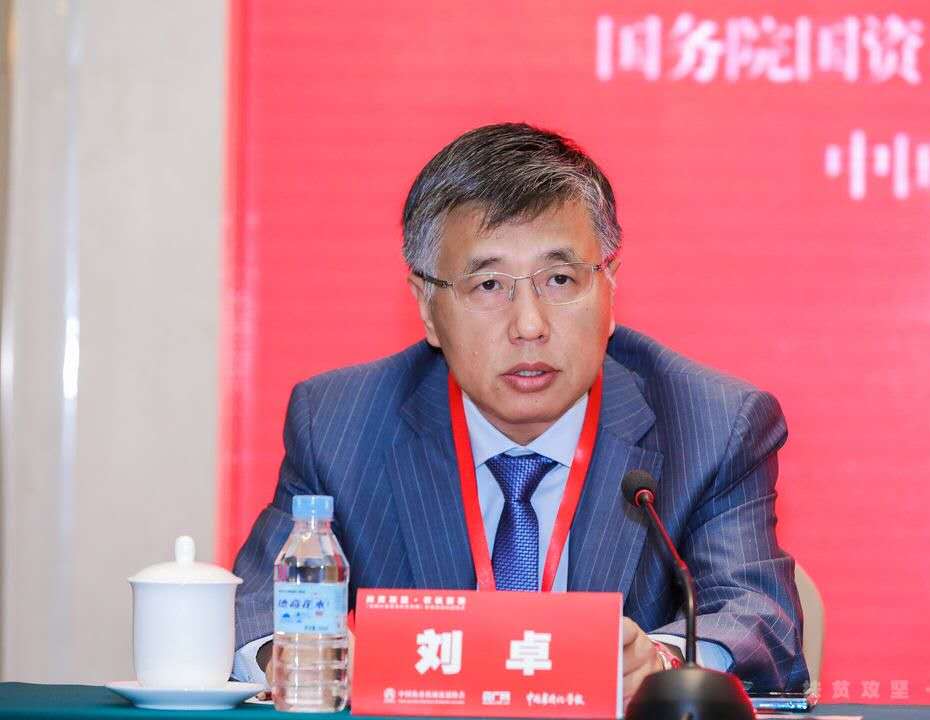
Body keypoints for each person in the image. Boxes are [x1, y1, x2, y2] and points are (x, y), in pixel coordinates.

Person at [231, 123, 809, 704]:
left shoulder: (711, 424)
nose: (529, 325)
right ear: (427, 307)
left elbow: (760, 617)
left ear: (609, 289)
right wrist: (304, 653)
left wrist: (660, 663)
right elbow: (253, 612)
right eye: (488, 285)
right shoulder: (339, 424)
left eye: (559, 279)